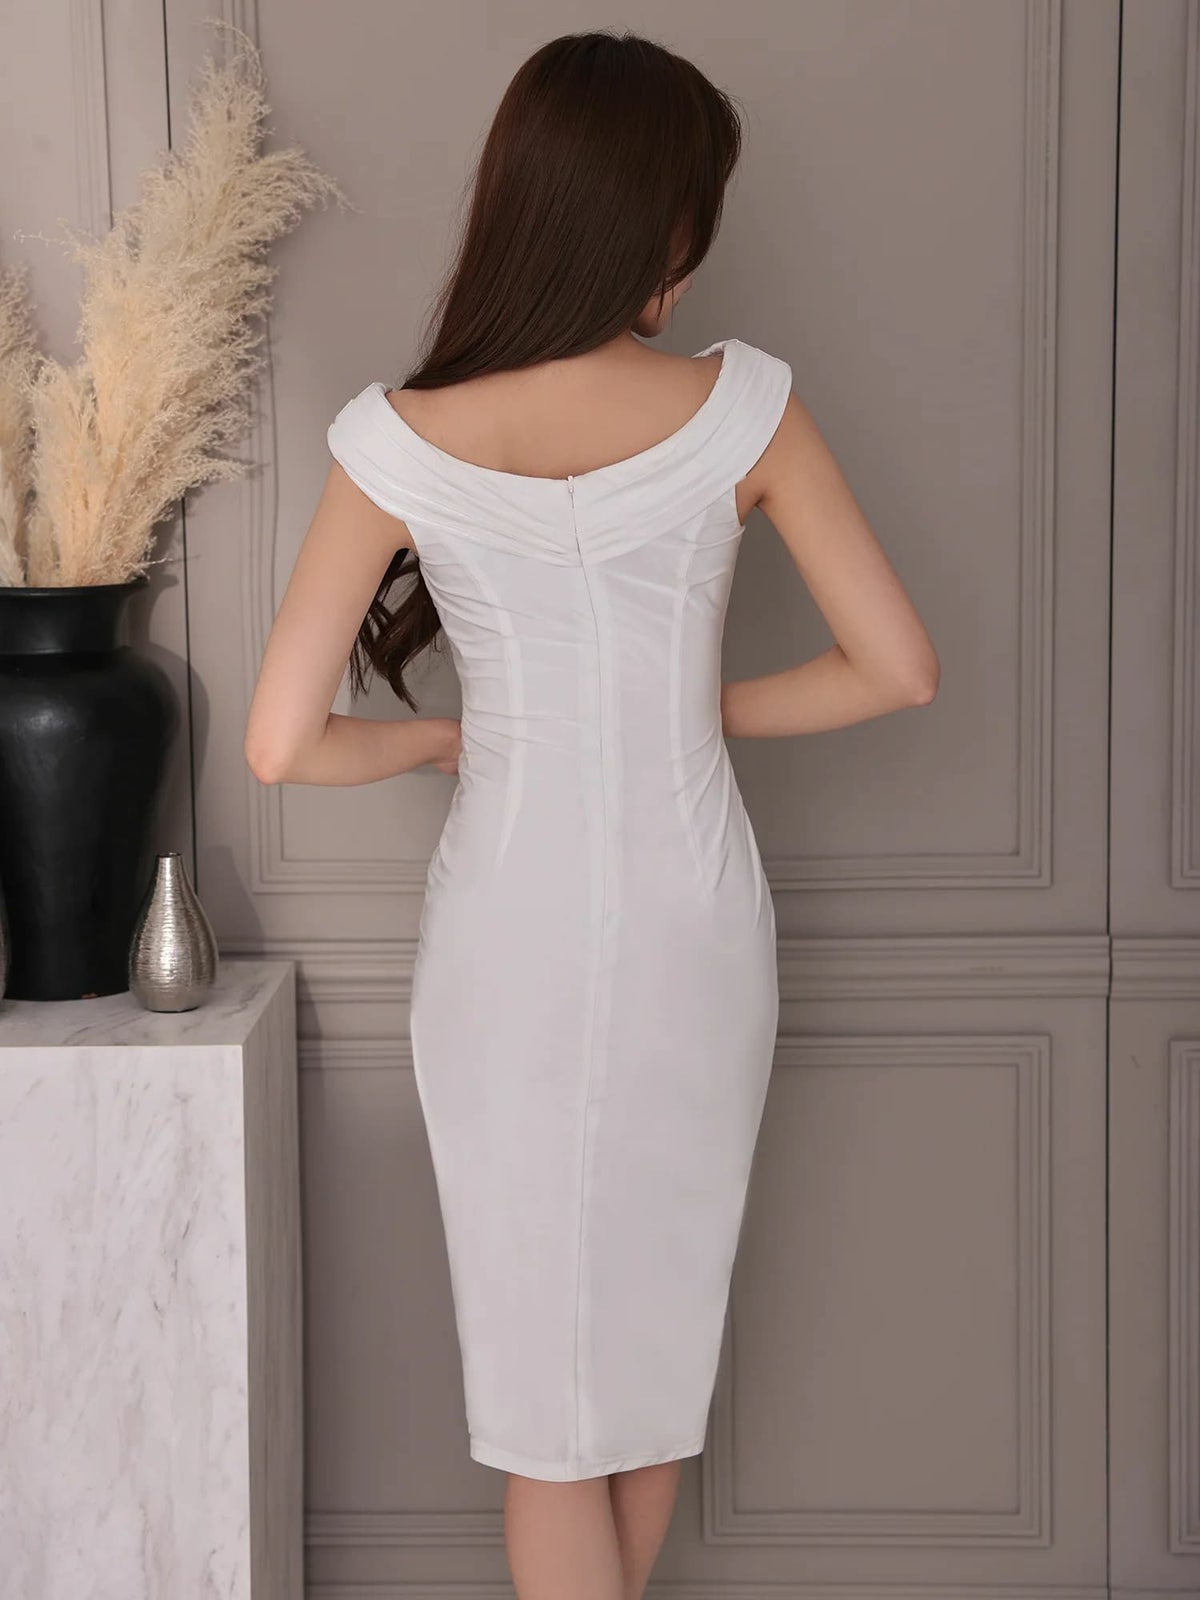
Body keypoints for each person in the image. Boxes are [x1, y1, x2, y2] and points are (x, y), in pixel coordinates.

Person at [245, 26, 939, 1600]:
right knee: (648, 1368)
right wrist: (688, 712)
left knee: (547, 1409)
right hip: (700, 930)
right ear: (655, 219)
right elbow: (899, 667)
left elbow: (280, 745)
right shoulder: (746, 411)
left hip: (507, 943)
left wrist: (443, 744)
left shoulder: (393, 440)